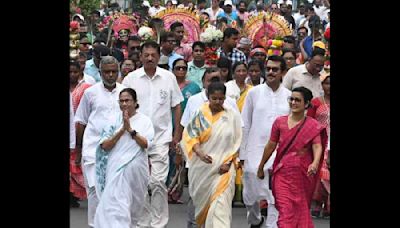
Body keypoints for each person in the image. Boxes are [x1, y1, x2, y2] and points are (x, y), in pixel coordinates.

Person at [122, 41, 184, 228]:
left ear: (159, 56)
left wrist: (176, 135)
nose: (149, 58)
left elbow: (176, 105)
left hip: (161, 138)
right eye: (146, 55)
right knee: (139, 183)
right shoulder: (130, 79)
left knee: (157, 182)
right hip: (135, 138)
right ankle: (142, 221)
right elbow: (122, 105)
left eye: (153, 55)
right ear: (140, 56)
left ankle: (159, 223)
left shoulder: (168, 77)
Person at [257, 86, 328, 228]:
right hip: (282, 173)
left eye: (298, 100)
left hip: (303, 174)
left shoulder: (312, 125)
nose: (293, 103)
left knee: (301, 209)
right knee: (285, 211)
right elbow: (271, 145)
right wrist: (261, 166)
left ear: (307, 104)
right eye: (292, 99)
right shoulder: (280, 122)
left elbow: (317, 146)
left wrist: (314, 163)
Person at [179, 68, 240, 228]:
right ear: (208, 97)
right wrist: (200, 153)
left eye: (221, 99)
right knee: (203, 211)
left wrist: (229, 162)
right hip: (202, 168)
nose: (218, 102)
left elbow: (237, 142)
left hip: (224, 169)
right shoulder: (200, 114)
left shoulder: (232, 115)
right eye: (214, 98)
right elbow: (190, 137)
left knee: (220, 208)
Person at [74, 56, 126, 228]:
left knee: (113, 194)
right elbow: (81, 121)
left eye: (113, 71)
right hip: (92, 150)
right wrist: (79, 150)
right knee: (94, 191)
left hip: (117, 151)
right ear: (100, 72)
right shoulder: (90, 92)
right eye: (106, 72)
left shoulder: (125, 92)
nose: (110, 75)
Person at [241, 55, 291, 228]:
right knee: (250, 194)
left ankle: (272, 225)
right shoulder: (254, 93)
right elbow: (245, 124)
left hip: (279, 153)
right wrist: (242, 153)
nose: (270, 72)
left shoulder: (289, 96)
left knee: (274, 195)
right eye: (268, 68)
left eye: (275, 69)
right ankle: (255, 219)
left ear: (283, 72)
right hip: (254, 150)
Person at [94, 88, 154, 228]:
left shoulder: (145, 121)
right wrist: (121, 130)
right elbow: (105, 145)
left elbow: (146, 144)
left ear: (135, 102)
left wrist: (131, 130)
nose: (124, 104)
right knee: (115, 208)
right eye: (121, 101)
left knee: (133, 211)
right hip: (116, 170)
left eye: (127, 100)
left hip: (137, 172)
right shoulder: (112, 120)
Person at [167, 58, 201, 203]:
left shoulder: (194, 88)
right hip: (168, 125)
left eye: (183, 68)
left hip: (187, 128)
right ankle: (164, 189)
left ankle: (175, 192)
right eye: (178, 68)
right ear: (173, 70)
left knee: (179, 160)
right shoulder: (168, 85)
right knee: (166, 158)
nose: (181, 71)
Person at [307, 72, 330, 218]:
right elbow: (309, 122)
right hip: (319, 141)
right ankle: (316, 202)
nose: (329, 86)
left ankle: (328, 206)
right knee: (320, 172)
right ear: (322, 85)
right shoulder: (316, 102)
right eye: (327, 83)